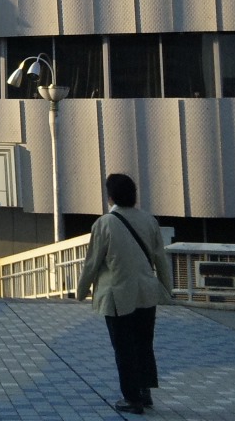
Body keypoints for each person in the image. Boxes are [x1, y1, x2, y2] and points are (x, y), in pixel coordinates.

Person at [75, 173, 172, 415]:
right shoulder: (149, 220)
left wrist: (81, 291)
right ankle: (145, 391)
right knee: (144, 344)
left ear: (110, 197)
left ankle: (132, 398)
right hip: (146, 293)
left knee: (124, 347)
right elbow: (160, 257)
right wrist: (166, 287)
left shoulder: (105, 223)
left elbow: (92, 262)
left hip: (118, 295)